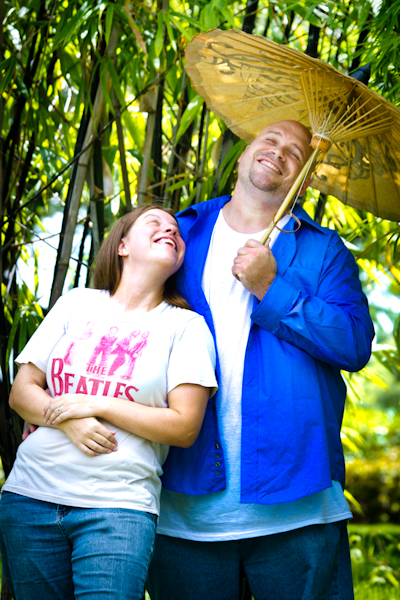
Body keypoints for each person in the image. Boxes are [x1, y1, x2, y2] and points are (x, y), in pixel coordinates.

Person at [146, 121, 375, 600]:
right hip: (184, 508)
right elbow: (119, 317)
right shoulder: (179, 233)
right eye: (270, 139)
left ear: (304, 180)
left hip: (299, 507)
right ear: (245, 151)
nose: (279, 151)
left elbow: (353, 345)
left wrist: (272, 288)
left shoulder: (324, 250)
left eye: (296, 152)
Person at [0, 205, 217, 600]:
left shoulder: (185, 326)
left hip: (118, 506)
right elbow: (22, 391)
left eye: (176, 230)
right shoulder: (77, 303)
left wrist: (97, 404)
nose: (170, 230)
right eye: (155, 223)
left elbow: (184, 426)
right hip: (30, 496)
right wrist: (71, 421)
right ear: (122, 245)